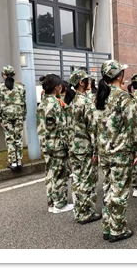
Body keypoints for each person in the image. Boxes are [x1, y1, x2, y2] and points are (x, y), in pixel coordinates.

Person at [95, 59, 137, 243]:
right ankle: (117, 229)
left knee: (108, 188)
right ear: (119, 76)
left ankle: (108, 226)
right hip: (120, 151)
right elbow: (132, 125)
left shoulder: (99, 96)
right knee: (119, 190)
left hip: (104, 150)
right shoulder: (122, 97)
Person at [67, 68, 101, 224]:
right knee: (87, 180)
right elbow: (93, 128)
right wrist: (96, 151)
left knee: (78, 179)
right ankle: (85, 213)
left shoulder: (72, 101)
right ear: (81, 83)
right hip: (85, 147)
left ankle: (79, 211)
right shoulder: (85, 102)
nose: (90, 82)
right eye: (88, 80)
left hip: (74, 146)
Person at [37, 74, 73, 213]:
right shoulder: (56, 103)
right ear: (57, 87)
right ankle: (60, 203)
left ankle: (51, 202)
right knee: (60, 173)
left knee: (50, 172)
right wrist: (68, 144)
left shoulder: (43, 102)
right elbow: (61, 126)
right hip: (57, 143)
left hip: (46, 143)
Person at [0, 65, 26, 171]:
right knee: (18, 138)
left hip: (6, 116)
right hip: (18, 115)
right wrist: (23, 116)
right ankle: (19, 161)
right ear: (14, 74)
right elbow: (24, 103)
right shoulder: (21, 86)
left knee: (10, 139)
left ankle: (13, 162)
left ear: (3, 74)